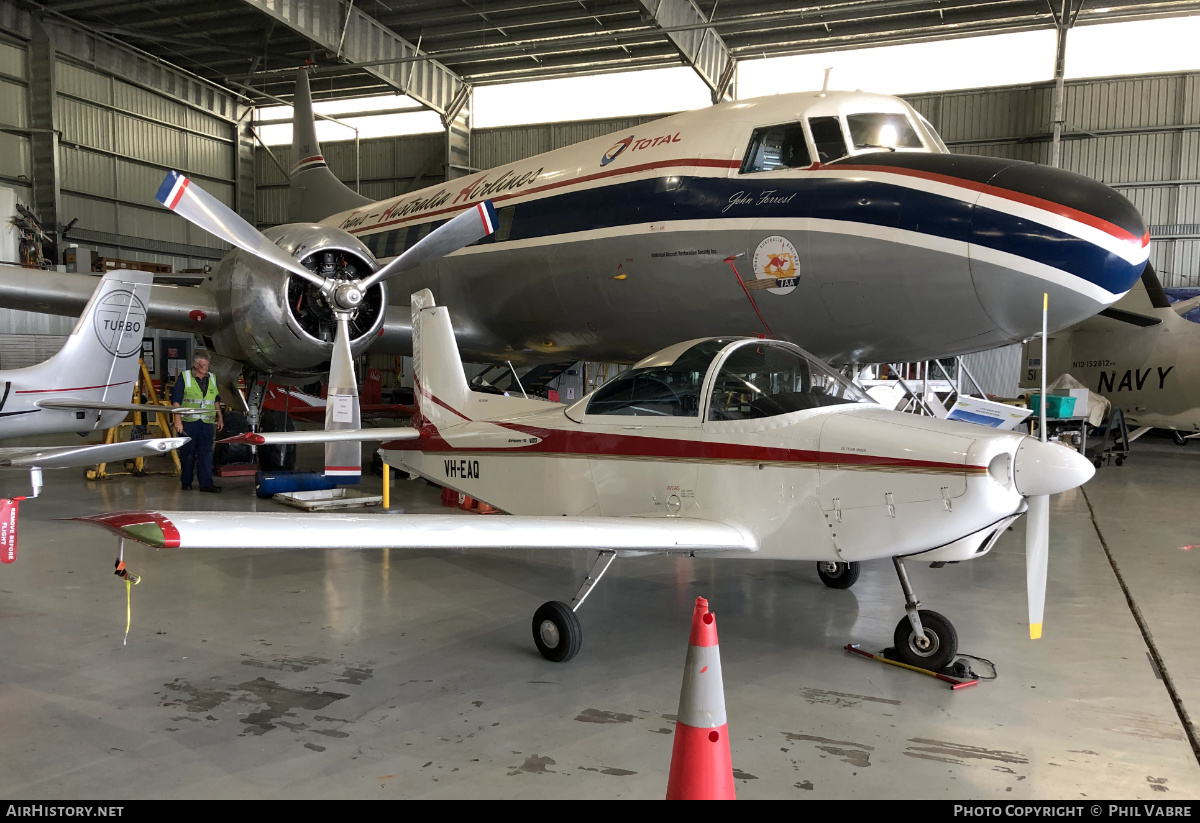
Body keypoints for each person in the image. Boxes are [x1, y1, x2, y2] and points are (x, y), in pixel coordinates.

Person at [171, 350, 224, 492]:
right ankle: (186, 482)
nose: (206, 368)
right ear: (195, 364)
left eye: (208, 365)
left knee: (206, 453)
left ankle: (206, 484)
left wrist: (220, 417)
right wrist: (178, 421)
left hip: (206, 423)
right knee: (188, 453)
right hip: (189, 422)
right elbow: (176, 401)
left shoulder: (212, 378)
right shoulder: (185, 377)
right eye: (203, 365)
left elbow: (215, 400)